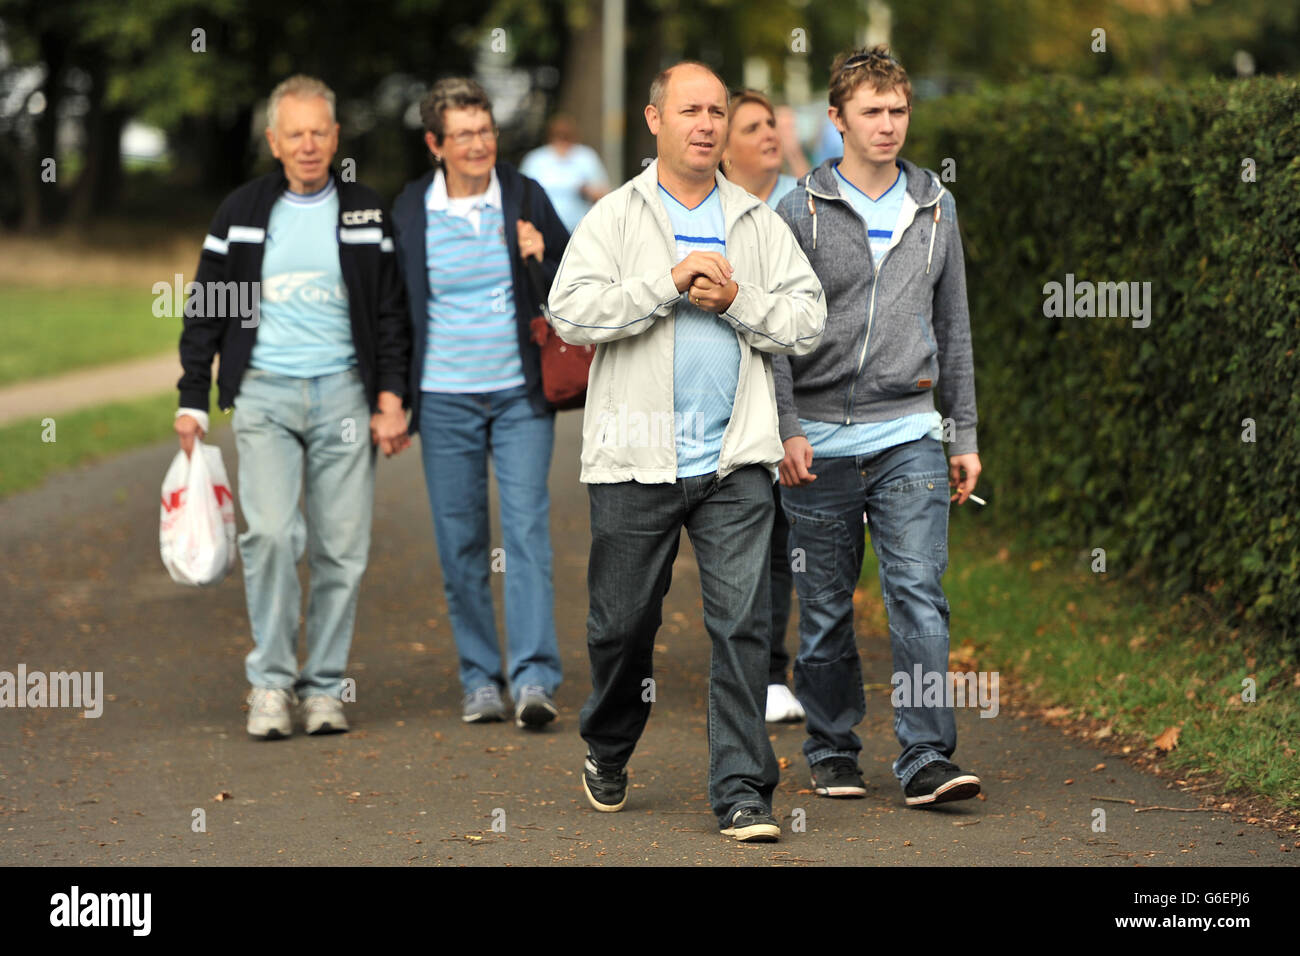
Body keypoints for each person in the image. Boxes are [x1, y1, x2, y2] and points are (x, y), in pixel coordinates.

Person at [547, 62, 826, 842]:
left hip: (735, 459)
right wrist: (667, 283)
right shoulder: (615, 216)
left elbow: (808, 321)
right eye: (690, 111)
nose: (705, 124)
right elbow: (569, 313)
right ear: (654, 120)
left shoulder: (757, 221)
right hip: (635, 460)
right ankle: (607, 744)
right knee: (620, 626)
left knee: (741, 624)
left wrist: (740, 303)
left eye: (716, 111)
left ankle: (742, 790)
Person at [773, 46, 984, 805]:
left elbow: (953, 323)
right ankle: (831, 744)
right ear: (837, 120)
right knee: (826, 607)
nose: (889, 125)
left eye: (898, 111)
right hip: (818, 438)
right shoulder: (795, 210)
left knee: (918, 594)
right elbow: (769, 331)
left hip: (908, 431)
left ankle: (926, 754)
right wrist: (785, 426)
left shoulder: (935, 206)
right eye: (872, 112)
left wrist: (962, 435)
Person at [175, 75, 412, 740]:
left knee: (342, 549)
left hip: (343, 394)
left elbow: (392, 314)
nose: (308, 145)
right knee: (273, 536)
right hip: (266, 394)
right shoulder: (242, 211)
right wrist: (194, 397)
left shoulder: (366, 211)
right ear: (274, 142)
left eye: (320, 133)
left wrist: (392, 398)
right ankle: (272, 685)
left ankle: (327, 687)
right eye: (295, 134)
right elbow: (207, 310)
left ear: (336, 139)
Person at [391, 77, 569, 729]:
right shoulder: (410, 210)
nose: (478, 144)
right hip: (443, 399)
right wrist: (390, 397)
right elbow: (394, 311)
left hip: (520, 393)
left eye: (485, 130)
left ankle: (533, 678)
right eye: (462, 134)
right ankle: (478, 678)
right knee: (461, 539)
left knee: (525, 531)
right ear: (436, 143)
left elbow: (576, 284)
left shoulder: (525, 196)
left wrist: (540, 255)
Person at [721, 88, 805, 725]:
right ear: (725, 149)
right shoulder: (719, 217)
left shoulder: (806, 206)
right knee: (761, 535)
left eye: (771, 123)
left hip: (817, 392)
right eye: (753, 127)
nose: (770, 134)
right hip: (745, 399)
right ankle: (765, 669)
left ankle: (789, 664)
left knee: (798, 539)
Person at [519, 113, 611, 234]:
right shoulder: (536, 160)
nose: (562, 140)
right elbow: (520, 195)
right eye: (558, 135)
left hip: (580, 231)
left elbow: (606, 195)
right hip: (543, 231)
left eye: (566, 136)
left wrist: (587, 191)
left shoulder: (586, 157)